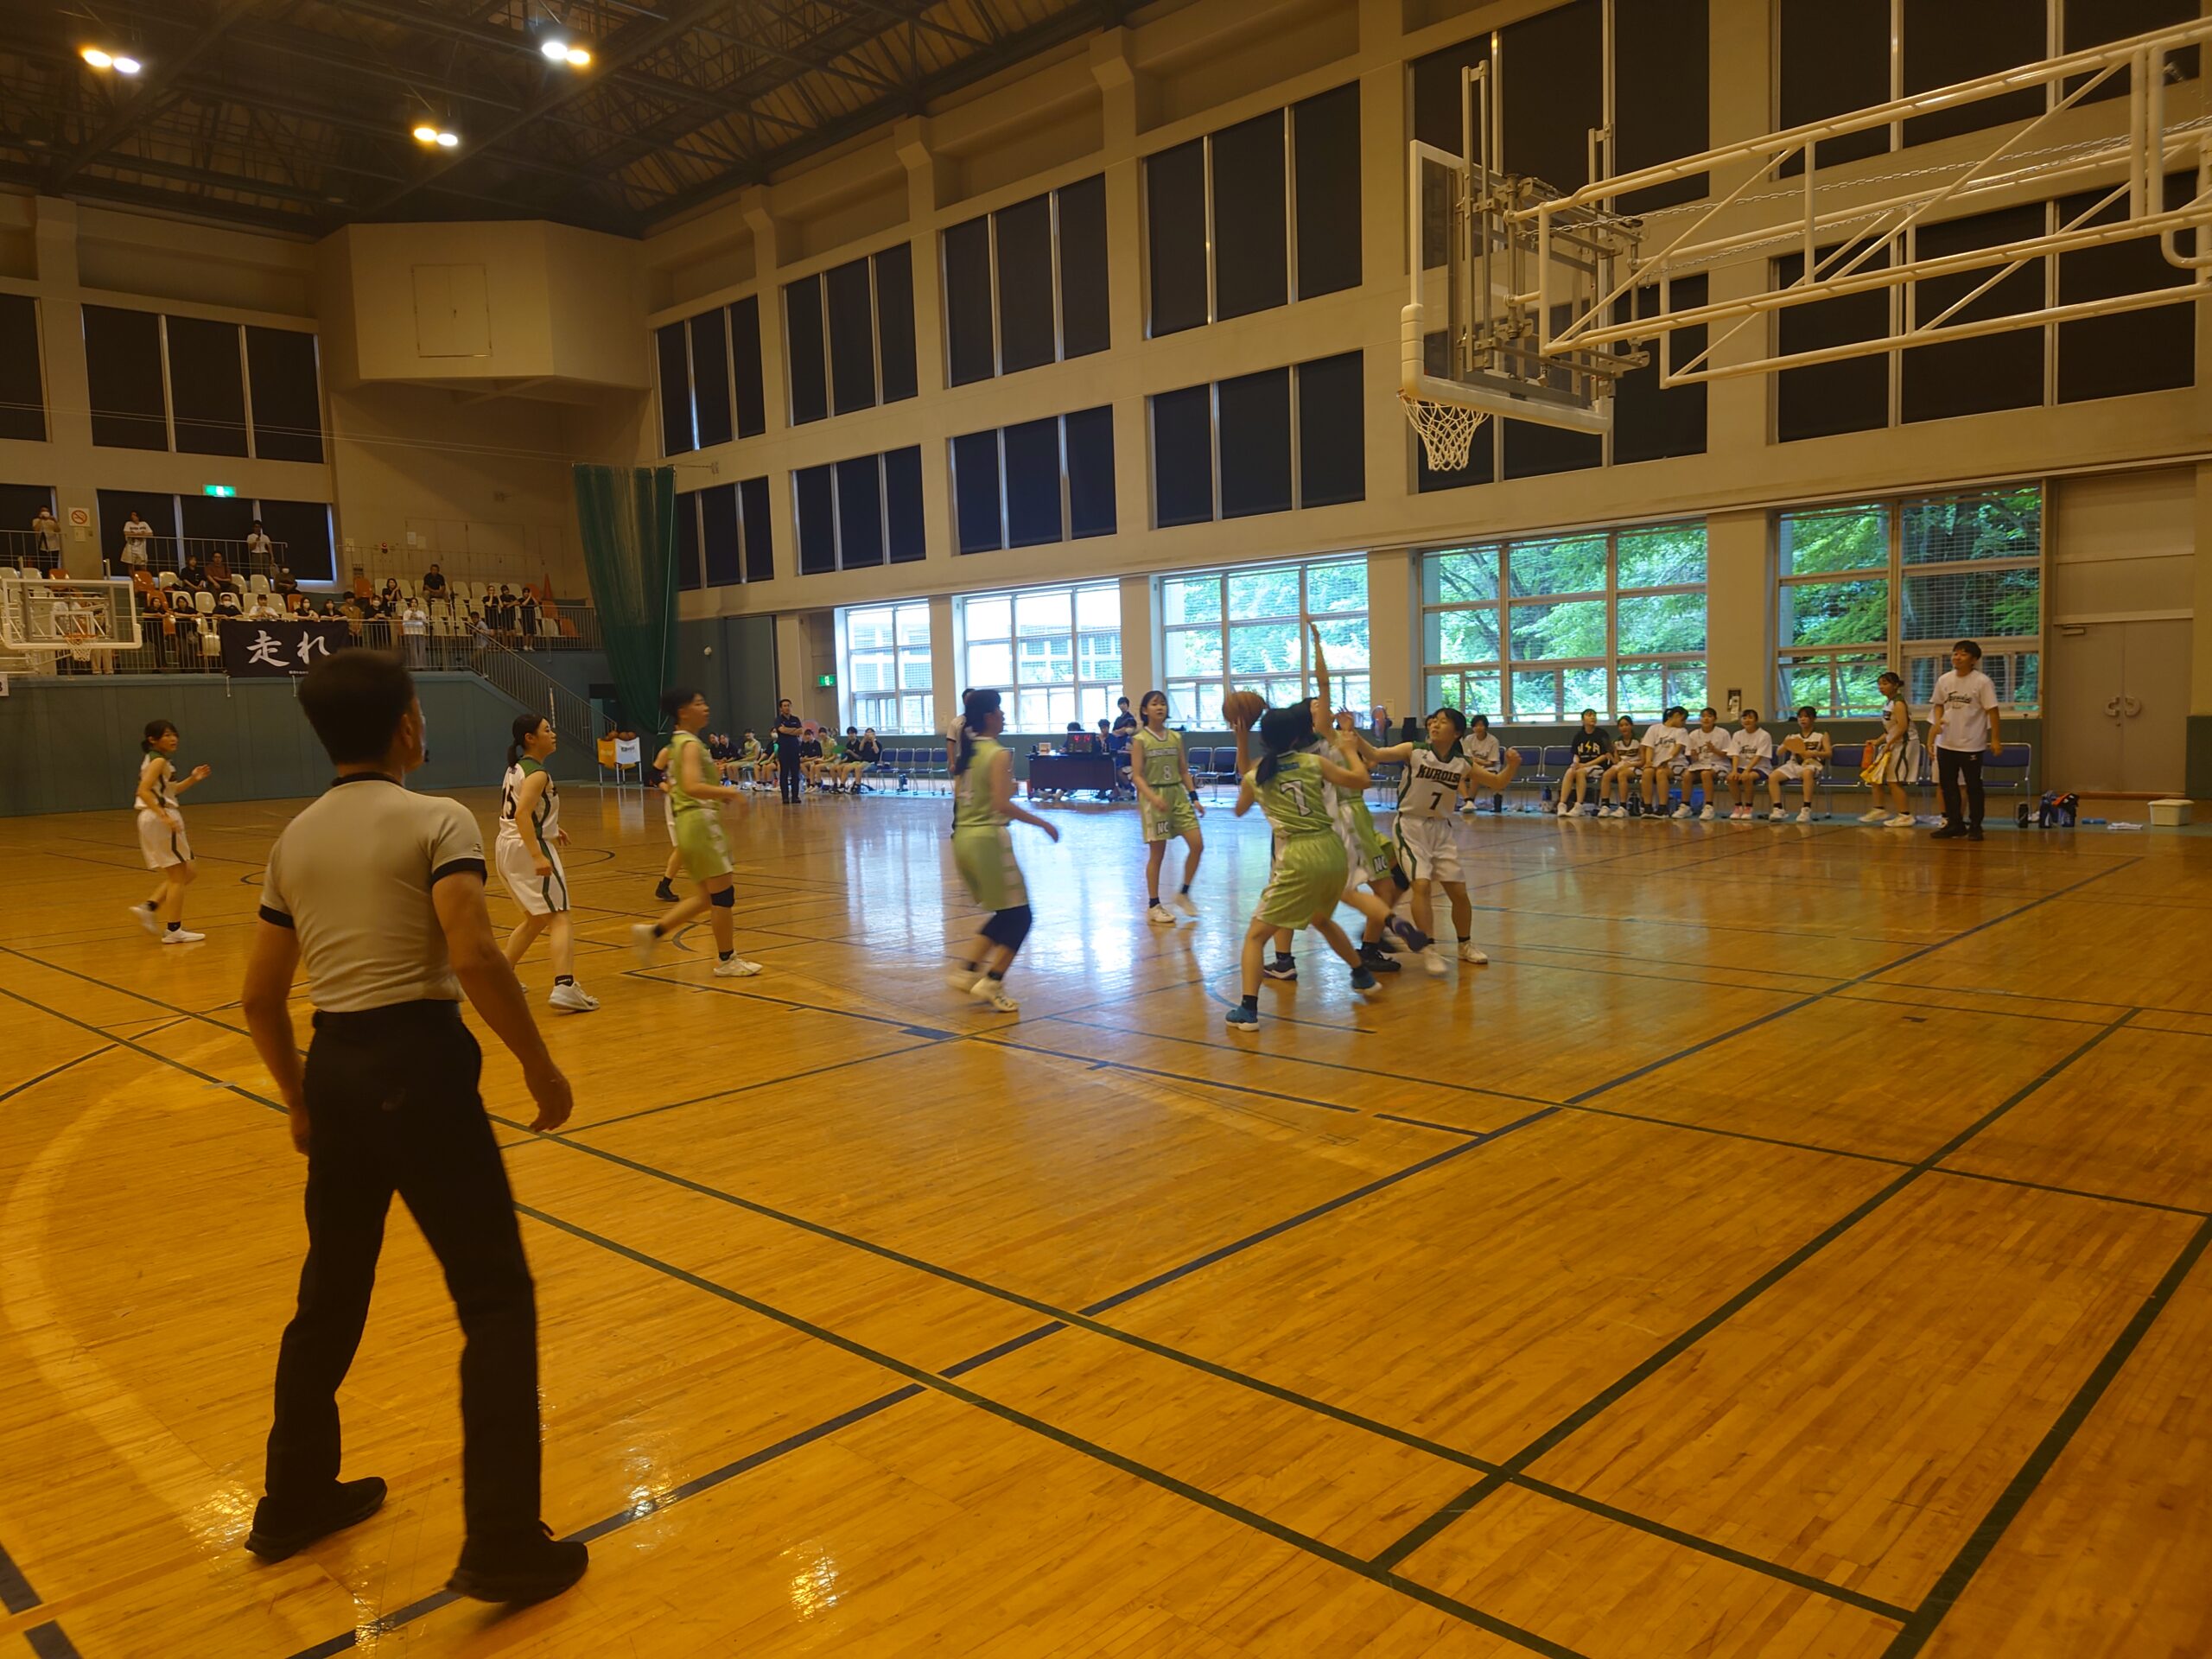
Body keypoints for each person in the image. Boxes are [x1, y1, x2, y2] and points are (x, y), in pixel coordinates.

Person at [239, 649, 587, 1604]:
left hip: (338, 1069)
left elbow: (260, 999)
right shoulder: (437, 819)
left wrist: (300, 1101)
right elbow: (473, 953)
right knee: (495, 1300)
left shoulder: (293, 841)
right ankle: (502, 1541)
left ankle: (293, 1498)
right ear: (404, 727)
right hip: (421, 1068)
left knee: (329, 1297)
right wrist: (539, 1064)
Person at [1224, 705, 1382, 1033]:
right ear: (1297, 737)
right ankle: (1361, 975)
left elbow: (1239, 809)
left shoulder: (1257, 777)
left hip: (1298, 855)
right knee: (1321, 919)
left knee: (1255, 936)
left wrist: (1241, 740)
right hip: (1332, 850)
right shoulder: (1313, 763)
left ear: (1264, 739)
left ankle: (1248, 1010)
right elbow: (1362, 780)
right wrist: (1350, 751)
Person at [1370, 707, 1519, 973]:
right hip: (1411, 825)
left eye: (1443, 722)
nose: (1435, 725)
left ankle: (1465, 945)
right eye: (1433, 721)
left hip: (1441, 829)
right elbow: (1376, 754)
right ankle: (1429, 948)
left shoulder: (1462, 763)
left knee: (1459, 893)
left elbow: (1497, 783)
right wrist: (1350, 735)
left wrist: (1513, 766)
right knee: (1422, 885)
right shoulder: (1415, 750)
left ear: (1457, 732)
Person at [630, 688, 763, 976]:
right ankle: (727, 960)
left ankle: (653, 932)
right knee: (723, 896)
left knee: (706, 897)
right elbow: (690, 785)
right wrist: (730, 793)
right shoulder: (690, 744)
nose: (706, 708)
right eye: (699, 703)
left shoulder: (678, 742)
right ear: (683, 712)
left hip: (690, 823)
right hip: (701, 823)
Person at [944, 689, 1059, 1014]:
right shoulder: (997, 753)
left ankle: (969, 970)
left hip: (963, 838)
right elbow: (1000, 804)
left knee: (1006, 913)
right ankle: (993, 980)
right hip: (987, 841)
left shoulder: (968, 754)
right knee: (1022, 916)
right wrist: (1043, 823)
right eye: (999, 710)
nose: (1004, 715)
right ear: (989, 717)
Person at [496, 716, 596, 1013]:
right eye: (547, 730)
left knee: (536, 918)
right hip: (527, 847)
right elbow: (522, 814)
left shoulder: (516, 768)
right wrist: (537, 854)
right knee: (560, 916)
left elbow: (524, 810)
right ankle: (565, 986)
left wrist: (551, 827)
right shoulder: (537, 773)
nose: (553, 734)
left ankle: (501, 977)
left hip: (507, 846)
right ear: (530, 738)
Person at [129, 719, 212, 943]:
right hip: (160, 816)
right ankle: (174, 930)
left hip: (157, 815)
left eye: (174, 734)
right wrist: (164, 816)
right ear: (153, 739)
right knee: (177, 875)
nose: (173, 738)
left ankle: (150, 907)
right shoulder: (157, 761)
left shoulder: (158, 760)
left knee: (189, 871)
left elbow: (171, 791)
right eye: (167, 735)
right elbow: (143, 791)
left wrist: (193, 779)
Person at [1130, 690, 1205, 924]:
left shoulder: (1175, 737)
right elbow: (1137, 776)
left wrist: (1194, 797)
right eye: (1154, 704)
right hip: (1155, 796)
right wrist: (1152, 798)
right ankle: (1154, 905)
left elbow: (1183, 770)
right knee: (1157, 854)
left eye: (1162, 703)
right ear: (1145, 710)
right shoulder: (1140, 740)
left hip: (1177, 795)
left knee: (1197, 844)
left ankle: (1183, 893)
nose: (1160, 707)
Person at [1929, 639, 2002, 842]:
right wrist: (1938, 723)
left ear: (1974, 659)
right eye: (1955, 653)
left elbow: (1993, 711)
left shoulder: (1982, 682)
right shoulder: (1944, 680)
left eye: (1963, 654)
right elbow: (1938, 704)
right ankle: (1955, 824)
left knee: (1973, 786)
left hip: (1971, 743)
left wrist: (1995, 739)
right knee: (1948, 786)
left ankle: (1976, 826)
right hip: (1946, 742)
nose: (1957, 657)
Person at [1862, 671, 1921, 828]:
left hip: (1905, 743)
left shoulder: (1899, 703)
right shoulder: (1888, 703)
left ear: (1895, 685)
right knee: (1875, 776)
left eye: (1885, 683)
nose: (1881, 687)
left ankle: (1905, 815)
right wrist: (1878, 741)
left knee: (1894, 780)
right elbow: (1891, 729)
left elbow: (1902, 727)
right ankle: (1879, 809)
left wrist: (1890, 742)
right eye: (1879, 684)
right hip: (1894, 742)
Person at [1768, 705, 1833, 823]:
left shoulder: (1822, 734)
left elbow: (1829, 753)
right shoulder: (1793, 736)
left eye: (1806, 717)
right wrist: (1786, 743)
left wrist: (1815, 753)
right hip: (1793, 764)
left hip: (1812, 764)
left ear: (1813, 718)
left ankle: (1806, 809)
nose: (1802, 719)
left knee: (1807, 773)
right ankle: (1778, 809)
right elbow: (1778, 752)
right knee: (1773, 777)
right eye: (1800, 717)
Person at [1677, 708, 1729, 820]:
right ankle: (1685, 806)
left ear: (1715, 719)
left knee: (1706, 774)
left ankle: (1709, 807)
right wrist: (1694, 756)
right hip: (1699, 765)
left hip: (1719, 764)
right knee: (1687, 775)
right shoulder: (1693, 734)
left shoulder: (1723, 733)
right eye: (1703, 716)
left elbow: (1727, 755)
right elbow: (1691, 756)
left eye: (1709, 716)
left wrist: (1714, 750)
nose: (1706, 719)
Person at [1638, 707, 1690, 817]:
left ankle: (1663, 808)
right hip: (1657, 763)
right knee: (1647, 772)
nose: (1684, 723)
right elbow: (1649, 747)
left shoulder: (1681, 731)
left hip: (1675, 763)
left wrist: (1667, 760)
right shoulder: (1654, 728)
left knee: (1661, 772)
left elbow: (1677, 749)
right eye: (1683, 720)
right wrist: (1648, 761)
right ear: (1676, 715)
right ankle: (1647, 807)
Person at [1724, 708, 1774, 819]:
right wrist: (1734, 770)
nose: (1747, 720)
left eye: (1750, 718)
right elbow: (1735, 754)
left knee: (1747, 777)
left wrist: (1747, 771)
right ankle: (1738, 806)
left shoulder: (1764, 735)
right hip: (1741, 767)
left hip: (1761, 767)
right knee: (1731, 778)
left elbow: (1759, 756)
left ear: (1756, 720)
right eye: (1744, 718)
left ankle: (1748, 807)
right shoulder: (1737, 735)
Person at [1558, 709, 1608, 817]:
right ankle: (1562, 804)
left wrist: (1585, 765)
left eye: (1594, 715)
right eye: (1589, 715)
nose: (1592, 717)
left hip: (1597, 766)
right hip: (1582, 766)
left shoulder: (1602, 734)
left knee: (1580, 772)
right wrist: (1575, 763)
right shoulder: (1579, 735)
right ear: (1582, 720)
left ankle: (1579, 805)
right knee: (1570, 771)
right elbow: (1576, 754)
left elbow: (1605, 755)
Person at [1599, 715, 1643, 818]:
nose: (1624, 727)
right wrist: (1611, 757)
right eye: (1621, 725)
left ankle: (1623, 807)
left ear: (1631, 726)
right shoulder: (1617, 742)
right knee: (1606, 775)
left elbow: (1643, 761)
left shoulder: (1639, 740)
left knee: (1622, 774)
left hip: (1636, 766)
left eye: (1626, 725)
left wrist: (1630, 764)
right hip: (1622, 765)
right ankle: (1605, 806)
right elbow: (1617, 762)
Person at [772, 699, 803, 804]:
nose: (787, 707)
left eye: (788, 705)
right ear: (781, 708)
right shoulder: (778, 720)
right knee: (784, 774)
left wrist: (787, 730)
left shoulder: (796, 719)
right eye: (784, 706)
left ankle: (795, 796)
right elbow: (781, 730)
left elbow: (800, 731)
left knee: (795, 774)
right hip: (784, 749)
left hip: (794, 749)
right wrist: (794, 730)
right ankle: (785, 797)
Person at [848, 727, 881, 791]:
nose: (869, 734)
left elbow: (876, 751)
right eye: (867, 733)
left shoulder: (877, 743)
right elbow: (860, 749)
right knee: (848, 767)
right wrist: (864, 739)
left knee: (859, 767)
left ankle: (857, 785)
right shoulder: (865, 743)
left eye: (870, 733)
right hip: (863, 762)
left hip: (872, 763)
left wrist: (873, 740)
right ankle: (843, 785)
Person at [30, 505, 61, 574]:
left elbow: (58, 530)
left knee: (54, 564)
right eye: (43, 511)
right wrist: (41, 520)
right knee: (44, 565)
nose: (44, 512)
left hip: (54, 546)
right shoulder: (36, 520)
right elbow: (36, 529)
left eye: (46, 511)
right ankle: (44, 577)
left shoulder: (52, 521)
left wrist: (55, 521)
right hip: (42, 546)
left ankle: (53, 577)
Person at [120, 508, 152, 575]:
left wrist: (135, 534)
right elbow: (126, 533)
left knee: (143, 565)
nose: (132, 516)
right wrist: (140, 535)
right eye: (132, 515)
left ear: (138, 516)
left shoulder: (144, 524)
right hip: (130, 547)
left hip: (141, 548)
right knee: (130, 565)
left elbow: (150, 534)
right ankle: (133, 579)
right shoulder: (128, 523)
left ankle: (144, 578)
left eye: (134, 515)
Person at [402, 598, 429, 667]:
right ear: (410, 604)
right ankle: (414, 665)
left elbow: (426, 622)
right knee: (413, 649)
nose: (414, 604)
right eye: (412, 602)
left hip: (420, 632)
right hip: (410, 632)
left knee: (421, 649)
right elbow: (404, 623)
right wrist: (410, 617)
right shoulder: (406, 612)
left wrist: (419, 618)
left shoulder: (421, 613)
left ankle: (422, 665)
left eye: (415, 602)